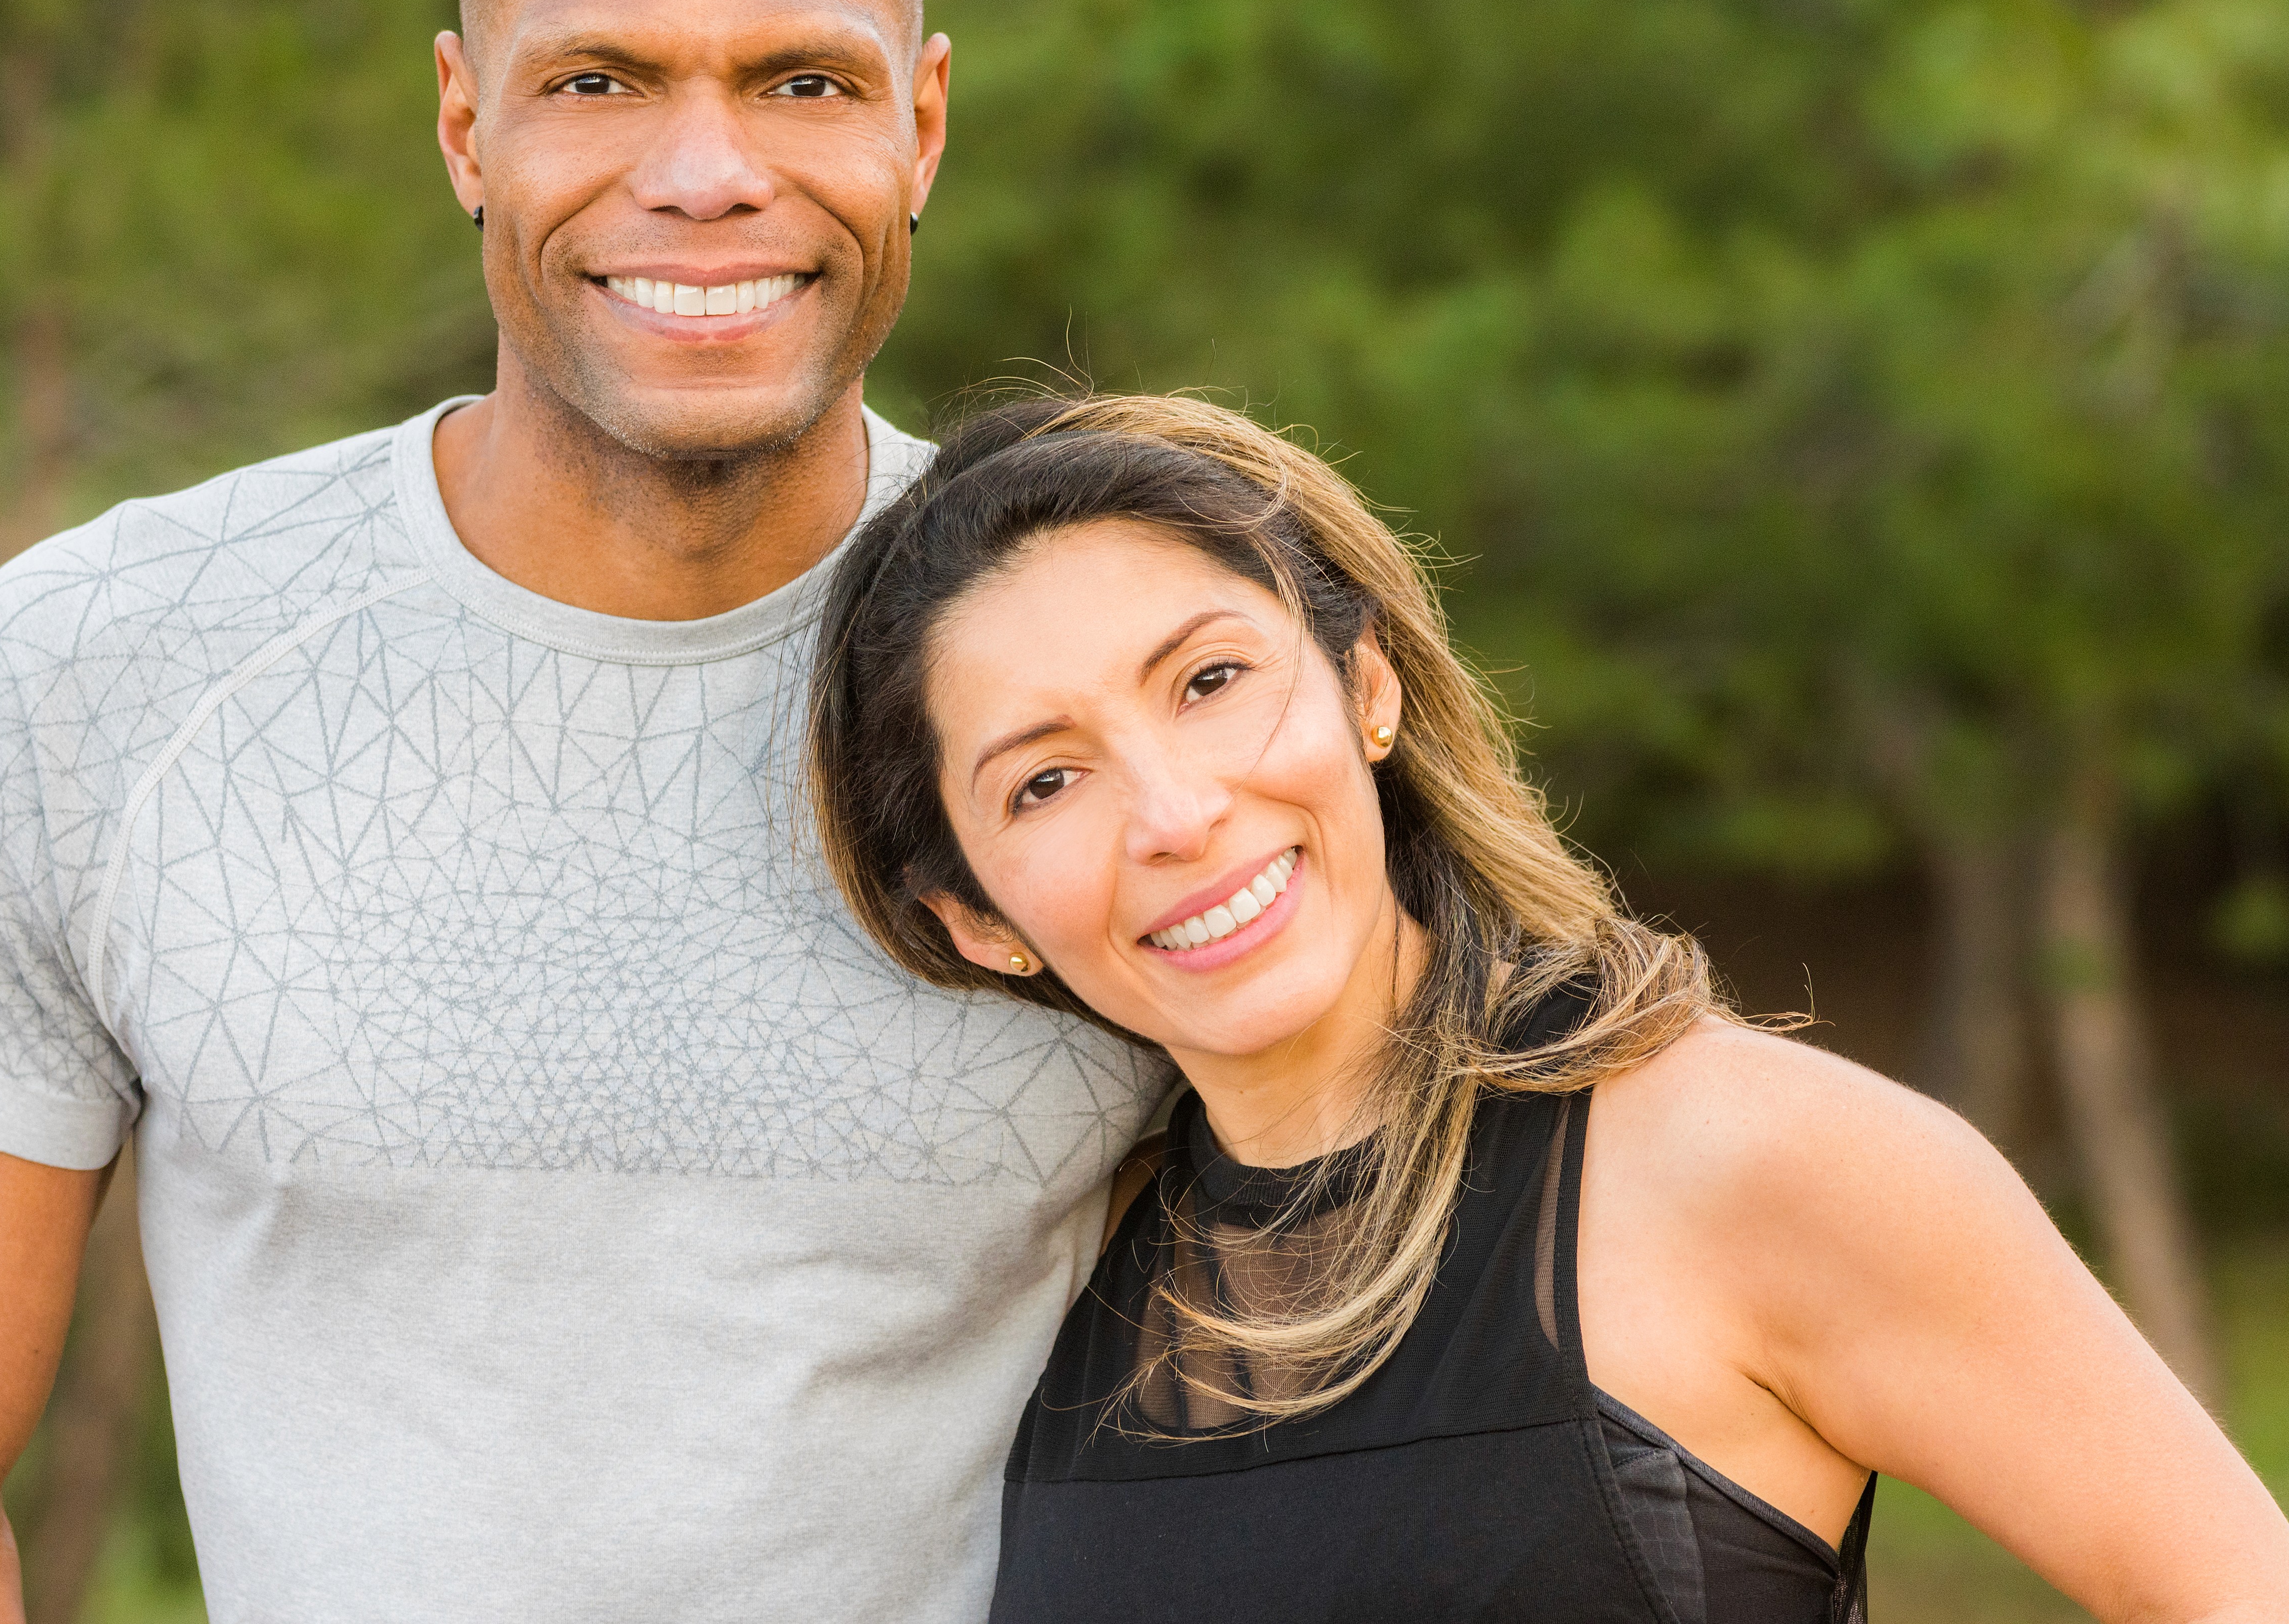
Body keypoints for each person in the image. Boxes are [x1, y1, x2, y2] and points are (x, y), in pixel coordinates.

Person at [0, 0, 1172, 1622]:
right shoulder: (100, 666)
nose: (704, 176)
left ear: (919, 125)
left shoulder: (1132, 683)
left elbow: (1500, 1259)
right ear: (463, 125)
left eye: (800, 83)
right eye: (597, 82)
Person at [806, 394, 2289, 1624]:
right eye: (1047, 781)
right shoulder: (1065, 1278)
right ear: (977, 920)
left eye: (1210, 680)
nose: (1176, 813)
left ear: (1365, 687)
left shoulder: (1749, 1162)